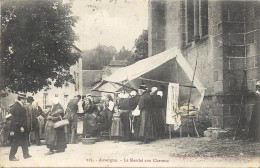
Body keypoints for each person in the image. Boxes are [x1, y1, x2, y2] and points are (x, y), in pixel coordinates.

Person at [9, 94, 31, 161]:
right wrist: (21, 126)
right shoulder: (18, 106)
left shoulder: (18, 105)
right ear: (21, 99)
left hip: (19, 127)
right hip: (18, 127)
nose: (25, 101)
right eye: (24, 99)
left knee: (24, 141)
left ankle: (26, 154)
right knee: (16, 141)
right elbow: (18, 118)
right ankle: (12, 156)